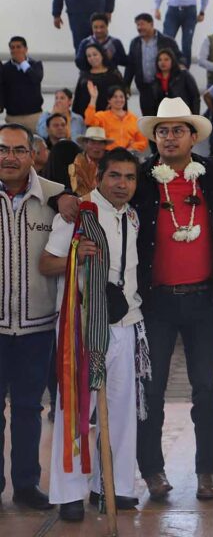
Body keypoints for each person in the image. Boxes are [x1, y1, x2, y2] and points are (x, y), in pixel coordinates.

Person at [132, 97, 213, 502]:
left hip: (203, 302)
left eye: (178, 129)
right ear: (154, 138)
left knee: (206, 389)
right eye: (163, 130)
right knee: (152, 390)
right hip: (155, 303)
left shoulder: (212, 176)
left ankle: (207, 471)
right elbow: (100, 194)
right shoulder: (140, 178)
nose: (170, 136)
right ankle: (153, 470)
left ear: (194, 137)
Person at [42, 148, 144, 521]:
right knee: (75, 407)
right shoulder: (79, 213)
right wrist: (75, 254)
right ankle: (69, 492)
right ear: (100, 176)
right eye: (115, 176)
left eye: (130, 178)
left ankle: (113, 486)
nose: (122, 184)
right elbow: (46, 262)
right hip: (81, 324)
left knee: (119, 410)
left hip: (125, 323)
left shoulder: (131, 216)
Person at [0, 123, 67, 511]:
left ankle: (26, 484)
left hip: (37, 325)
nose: (10, 157)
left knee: (29, 408)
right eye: (3, 149)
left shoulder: (56, 197)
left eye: (19, 150)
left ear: (33, 154)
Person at [124, 13, 184, 117]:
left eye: (142, 24)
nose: (139, 28)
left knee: (165, 118)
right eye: (137, 25)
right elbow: (130, 66)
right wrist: (126, 85)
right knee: (149, 120)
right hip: (144, 88)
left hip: (164, 87)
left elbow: (180, 58)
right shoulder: (135, 43)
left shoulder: (167, 41)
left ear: (151, 24)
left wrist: (182, 67)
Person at [153, 0, 210, 68]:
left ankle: (185, 74)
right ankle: (165, 72)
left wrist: (202, 10)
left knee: (186, 44)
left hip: (190, 11)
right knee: (166, 42)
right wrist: (157, 7)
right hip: (172, 10)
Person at [84, 84, 148, 156]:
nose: (119, 100)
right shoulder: (102, 116)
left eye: (121, 97)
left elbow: (142, 141)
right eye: (115, 97)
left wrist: (131, 148)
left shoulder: (134, 119)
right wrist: (93, 98)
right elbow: (89, 121)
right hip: (107, 154)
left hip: (129, 155)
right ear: (109, 100)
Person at [2, 37, 45, 129]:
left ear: (25, 49)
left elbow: (36, 79)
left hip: (34, 116)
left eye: (18, 47)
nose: (15, 50)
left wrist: (22, 62)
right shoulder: (5, 68)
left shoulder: (36, 65)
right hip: (13, 117)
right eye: (12, 48)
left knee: (36, 142)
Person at [72, 44, 125, 117]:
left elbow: (121, 97)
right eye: (89, 56)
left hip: (109, 117)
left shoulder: (114, 75)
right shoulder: (84, 75)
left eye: (95, 54)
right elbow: (77, 98)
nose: (92, 58)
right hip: (86, 117)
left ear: (102, 55)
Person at [152, 48, 201, 115]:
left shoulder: (183, 75)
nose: (162, 62)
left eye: (166, 59)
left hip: (183, 114)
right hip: (165, 115)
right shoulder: (156, 79)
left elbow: (195, 97)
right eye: (160, 60)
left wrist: (195, 115)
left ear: (172, 61)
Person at [68, 127, 113, 196]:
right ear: (85, 144)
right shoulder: (75, 162)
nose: (96, 147)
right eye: (92, 142)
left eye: (100, 143)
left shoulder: (112, 163)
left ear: (105, 146)